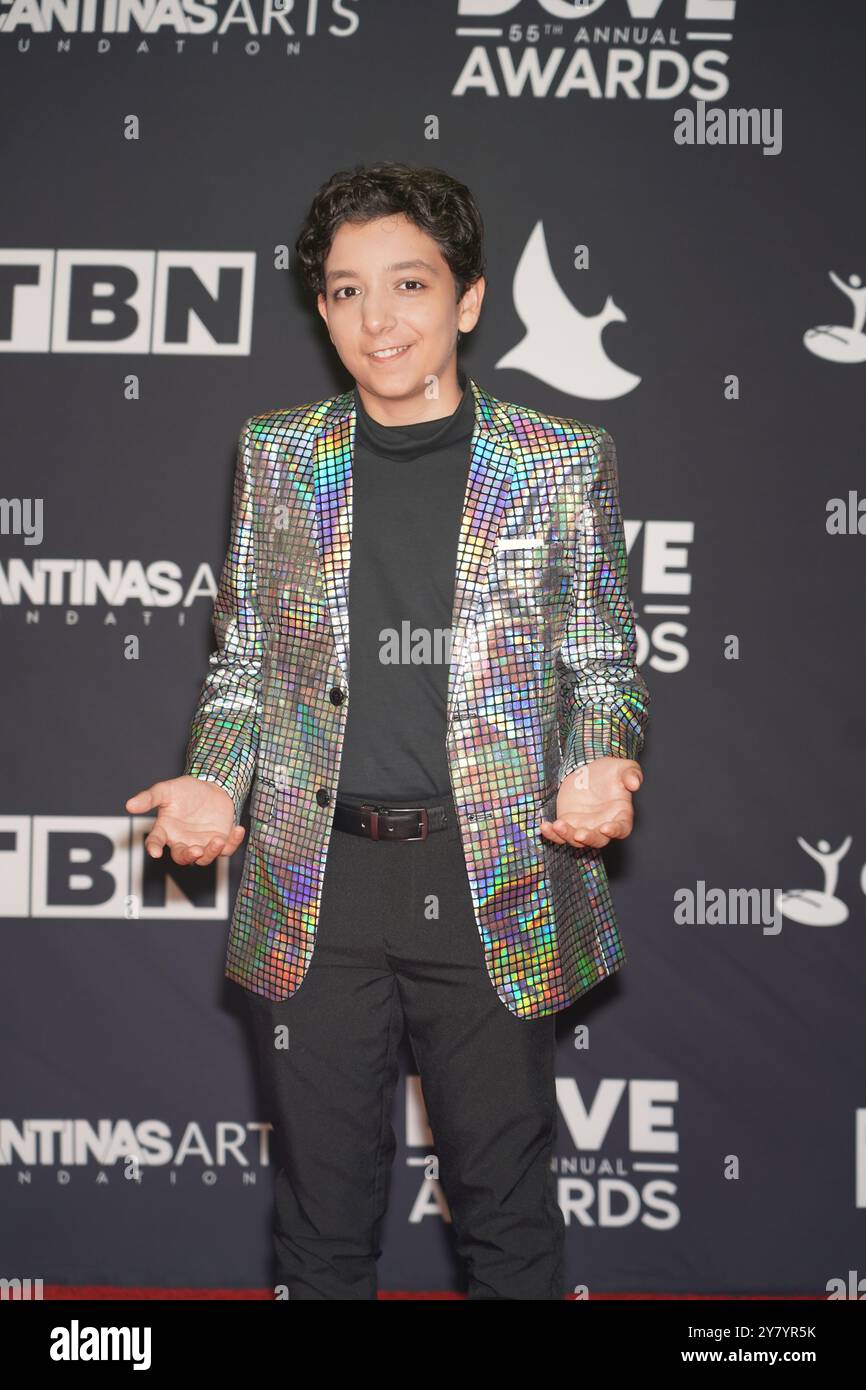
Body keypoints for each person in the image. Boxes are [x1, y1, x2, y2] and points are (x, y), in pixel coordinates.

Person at [125, 160, 650, 1300]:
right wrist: (215, 779)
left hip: (491, 872)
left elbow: (603, 660)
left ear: (464, 298)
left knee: (506, 1212)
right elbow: (247, 664)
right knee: (322, 1224)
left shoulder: (560, 463)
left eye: (408, 284)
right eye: (346, 290)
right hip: (319, 881)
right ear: (321, 308)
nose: (379, 318)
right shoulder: (276, 454)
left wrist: (600, 758)